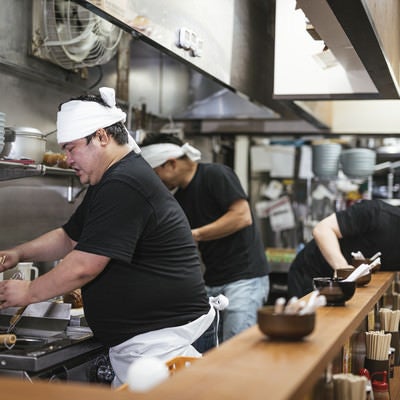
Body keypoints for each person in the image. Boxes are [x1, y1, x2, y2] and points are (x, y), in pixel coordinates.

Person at [0, 87, 217, 387]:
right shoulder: (111, 179)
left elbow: (84, 265)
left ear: (101, 137)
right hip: (149, 344)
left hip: (166, 346)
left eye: (71, 147)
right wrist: (18, 254)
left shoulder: (124, 183)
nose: (67, 158)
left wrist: (28, 292)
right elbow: (69, 238)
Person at [140, 133, 270, 342]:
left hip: (244, 280)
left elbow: (242, 216)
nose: (158, 183)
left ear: (171, 164)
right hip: (212, 282)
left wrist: (196, 234)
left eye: (156, 174)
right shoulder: (179, 198)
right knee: (215, 351)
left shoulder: (216, 174)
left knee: (237, 352)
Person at [288, 199, 400, 298]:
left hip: (347, 287)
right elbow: (322, 230)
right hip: (312, 273)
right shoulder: (376, 213)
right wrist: (343, 268)